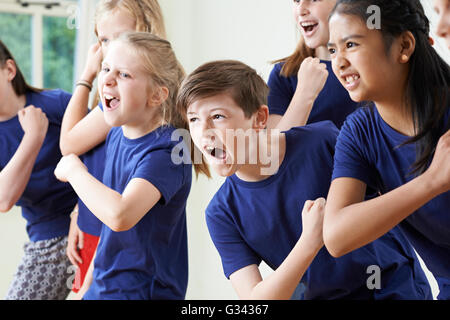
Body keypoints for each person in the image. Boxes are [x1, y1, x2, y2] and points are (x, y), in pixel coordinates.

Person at [176, 59, 432, 299]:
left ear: (260, 118)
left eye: (217, 117)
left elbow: (394, 194)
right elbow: (256, 300)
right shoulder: (221, 213)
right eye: (194, 120)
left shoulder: (323, 140)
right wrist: (309, 242)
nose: (203, 132)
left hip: (393, 287)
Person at [323, 0, 450, 300]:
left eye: (351, 44)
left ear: (403, 46)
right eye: (332, 50)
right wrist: (430, 182)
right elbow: (336, 235)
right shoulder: (358, 134)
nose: (338, 62)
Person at [55, 32, 192, 300]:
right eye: (106, 68)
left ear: (156, 96)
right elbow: (110, 232)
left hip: (143, 293)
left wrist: (74, 170)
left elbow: (120, 215)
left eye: (124, 75)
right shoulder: (117, 132)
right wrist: (85, 289)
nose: (106, 79)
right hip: (103, 287)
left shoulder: (169, 151)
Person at [0, 40, 77, 300]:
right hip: (48, 242)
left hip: (90, 225)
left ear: (9, 70)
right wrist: (33, 136)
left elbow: (108, 150)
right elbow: (3, 199)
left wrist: (82, 210)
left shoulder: (55, 103)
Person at [267, 0, 359, 131]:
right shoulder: (284, 74)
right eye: (297, 1)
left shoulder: (370, 68)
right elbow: (272, 148)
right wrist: (304, 94)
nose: (301, 10)